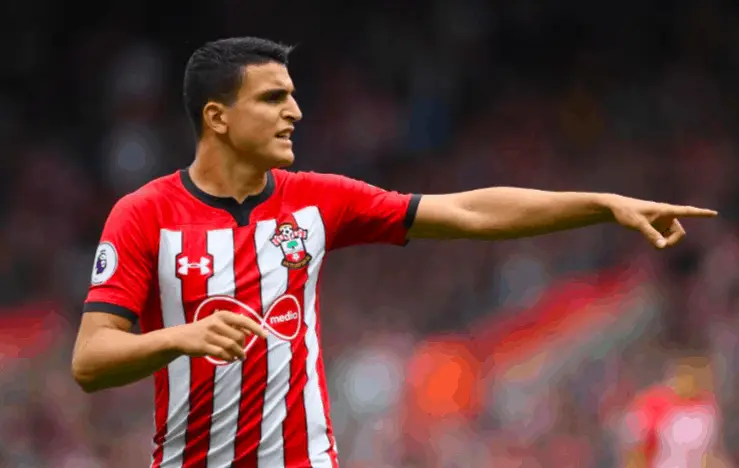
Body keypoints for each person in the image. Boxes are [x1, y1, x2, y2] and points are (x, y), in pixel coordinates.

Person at [70, 36, 718, 468]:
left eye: (292, 95)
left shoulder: (316, 200)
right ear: (216, 118)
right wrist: (180, 338)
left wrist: (599, 204)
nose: (294, 112)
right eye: (272, 99)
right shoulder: (144, 215)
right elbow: (91, 360)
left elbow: (466, 211)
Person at [620, 348, 730, 468]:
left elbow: (708, 454)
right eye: (683, 376)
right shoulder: (655, 404)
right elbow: (635, 452)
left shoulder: (707, 409)